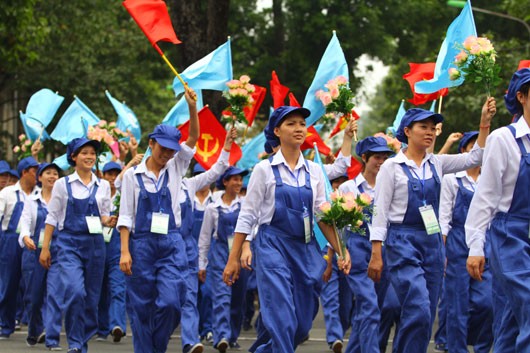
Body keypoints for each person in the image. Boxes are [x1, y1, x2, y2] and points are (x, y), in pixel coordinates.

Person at [367, 98, 496, 353]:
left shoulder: (437, 163)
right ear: (407, 131)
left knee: (424, 315)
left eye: (432, 128)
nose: (429, 132)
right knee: (418, 307)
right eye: (422, 127)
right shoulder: (391, 167)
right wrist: (376, 253)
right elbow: (380, 211)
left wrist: (484, 123)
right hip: (402, 241)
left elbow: (476, 156)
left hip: (432, 243)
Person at [223, 106, 351, 353]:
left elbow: (322, 216)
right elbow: (248, 215)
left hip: (304, 248)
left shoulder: (314, 171)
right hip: (272, 245)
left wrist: (341, 250)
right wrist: (234, 258)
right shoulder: (264, 170)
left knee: (302, 325)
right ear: (277, 131)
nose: (299, 128)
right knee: (282, 316)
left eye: (302, 123)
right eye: (291, 123)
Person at [118, 88, 199, 353]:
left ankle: (157, 346)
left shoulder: (176, 166)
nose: (167, 154)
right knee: (141, 307)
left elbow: (194, 137)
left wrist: (192, 108)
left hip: (170, 243)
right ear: (151, 143)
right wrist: (125, 251)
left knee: (171, 303)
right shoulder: (133, 176)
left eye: (171, 150)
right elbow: (126, 215)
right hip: (140, 245)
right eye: (162, 148)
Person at [465, 68, 530, 352]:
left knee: (511, 320)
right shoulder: (504, 139)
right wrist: (476, 247)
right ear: (522, 96)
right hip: (509, 236)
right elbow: (486, 197)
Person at [39, 138, 113, 353]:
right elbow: (52, 217)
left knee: (91, 299)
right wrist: (45, 248)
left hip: (96, 245)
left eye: (92, 153)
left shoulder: (103, 186)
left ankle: (81, 338)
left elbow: (104, 216)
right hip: (68, 243)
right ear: (73, 157)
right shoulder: (62, 184)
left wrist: (109, 220)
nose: (89, 156)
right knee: (74, 292)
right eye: (84, 153)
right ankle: (75, 342)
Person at [179, 128, 235, 353]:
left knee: (197, 295)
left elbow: (218, 170)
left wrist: (227, 146)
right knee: (170, 300)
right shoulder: (153, 182)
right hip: (165, 250)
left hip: (194, 251)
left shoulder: (189, 186)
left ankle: (193, 338)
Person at [338, 136, 394, 353]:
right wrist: (342, 253)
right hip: (358, 255)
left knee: (372, 310)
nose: (381, 162)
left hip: (383, 253)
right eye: (377, 157)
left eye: (385, 157)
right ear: (364, 158)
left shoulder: (390, 185)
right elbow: (339, 226)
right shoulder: (347, 188)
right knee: (370, 307)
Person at [439, 131, 493, 353]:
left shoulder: (490, 180)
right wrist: (441, 252)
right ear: (463, 152)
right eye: (473, 147)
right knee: (457, 306)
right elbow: (444, 217)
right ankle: (457, 349)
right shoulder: (452, 180)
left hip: (485, 243)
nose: (478, 153)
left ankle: (481, 347)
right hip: (457, 244)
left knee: (487, 303)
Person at [198, 167, 248, 353]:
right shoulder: (212, 208)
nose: (238, 183)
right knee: (221, 298)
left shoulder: (245, 205)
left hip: (242, 258)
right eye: (234, 179)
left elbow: (254, 229)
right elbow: (204, 238)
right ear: (225, 182)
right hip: (219, 257)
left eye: (240, 180)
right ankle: (221, 336)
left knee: (237, 299)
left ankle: (232, 335)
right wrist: (201, 264)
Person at [18, 162, 63, 349]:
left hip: (57, 252)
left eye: (55, 174)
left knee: (53, 293)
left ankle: (50, 334)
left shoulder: (63, 199)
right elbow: (25, 222)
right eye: (48, 173)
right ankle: (35, 330)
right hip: (33, 252)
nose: (52, 176)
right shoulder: (31, 200)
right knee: (34, 296)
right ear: (40, 177)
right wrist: (26, 237)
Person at [0, 156, 39, 339]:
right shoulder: (7, 193)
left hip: (33, 242)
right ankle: (6, 325)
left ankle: (36, 327)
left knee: (34, 286)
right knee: (9, 285)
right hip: (10, 241)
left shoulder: (40, 193)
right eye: (34, 171)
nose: (38, 175)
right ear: (24, 172)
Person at [96, 161, 127, 343]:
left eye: (116, 174)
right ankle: (101, 328)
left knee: (117, 287)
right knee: (99, 290)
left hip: (117, 247)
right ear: (103, 176)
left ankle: (117, 326)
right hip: (98, 246)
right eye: (109, 175)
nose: (113, 178)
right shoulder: (97, 195)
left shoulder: (123, 197)